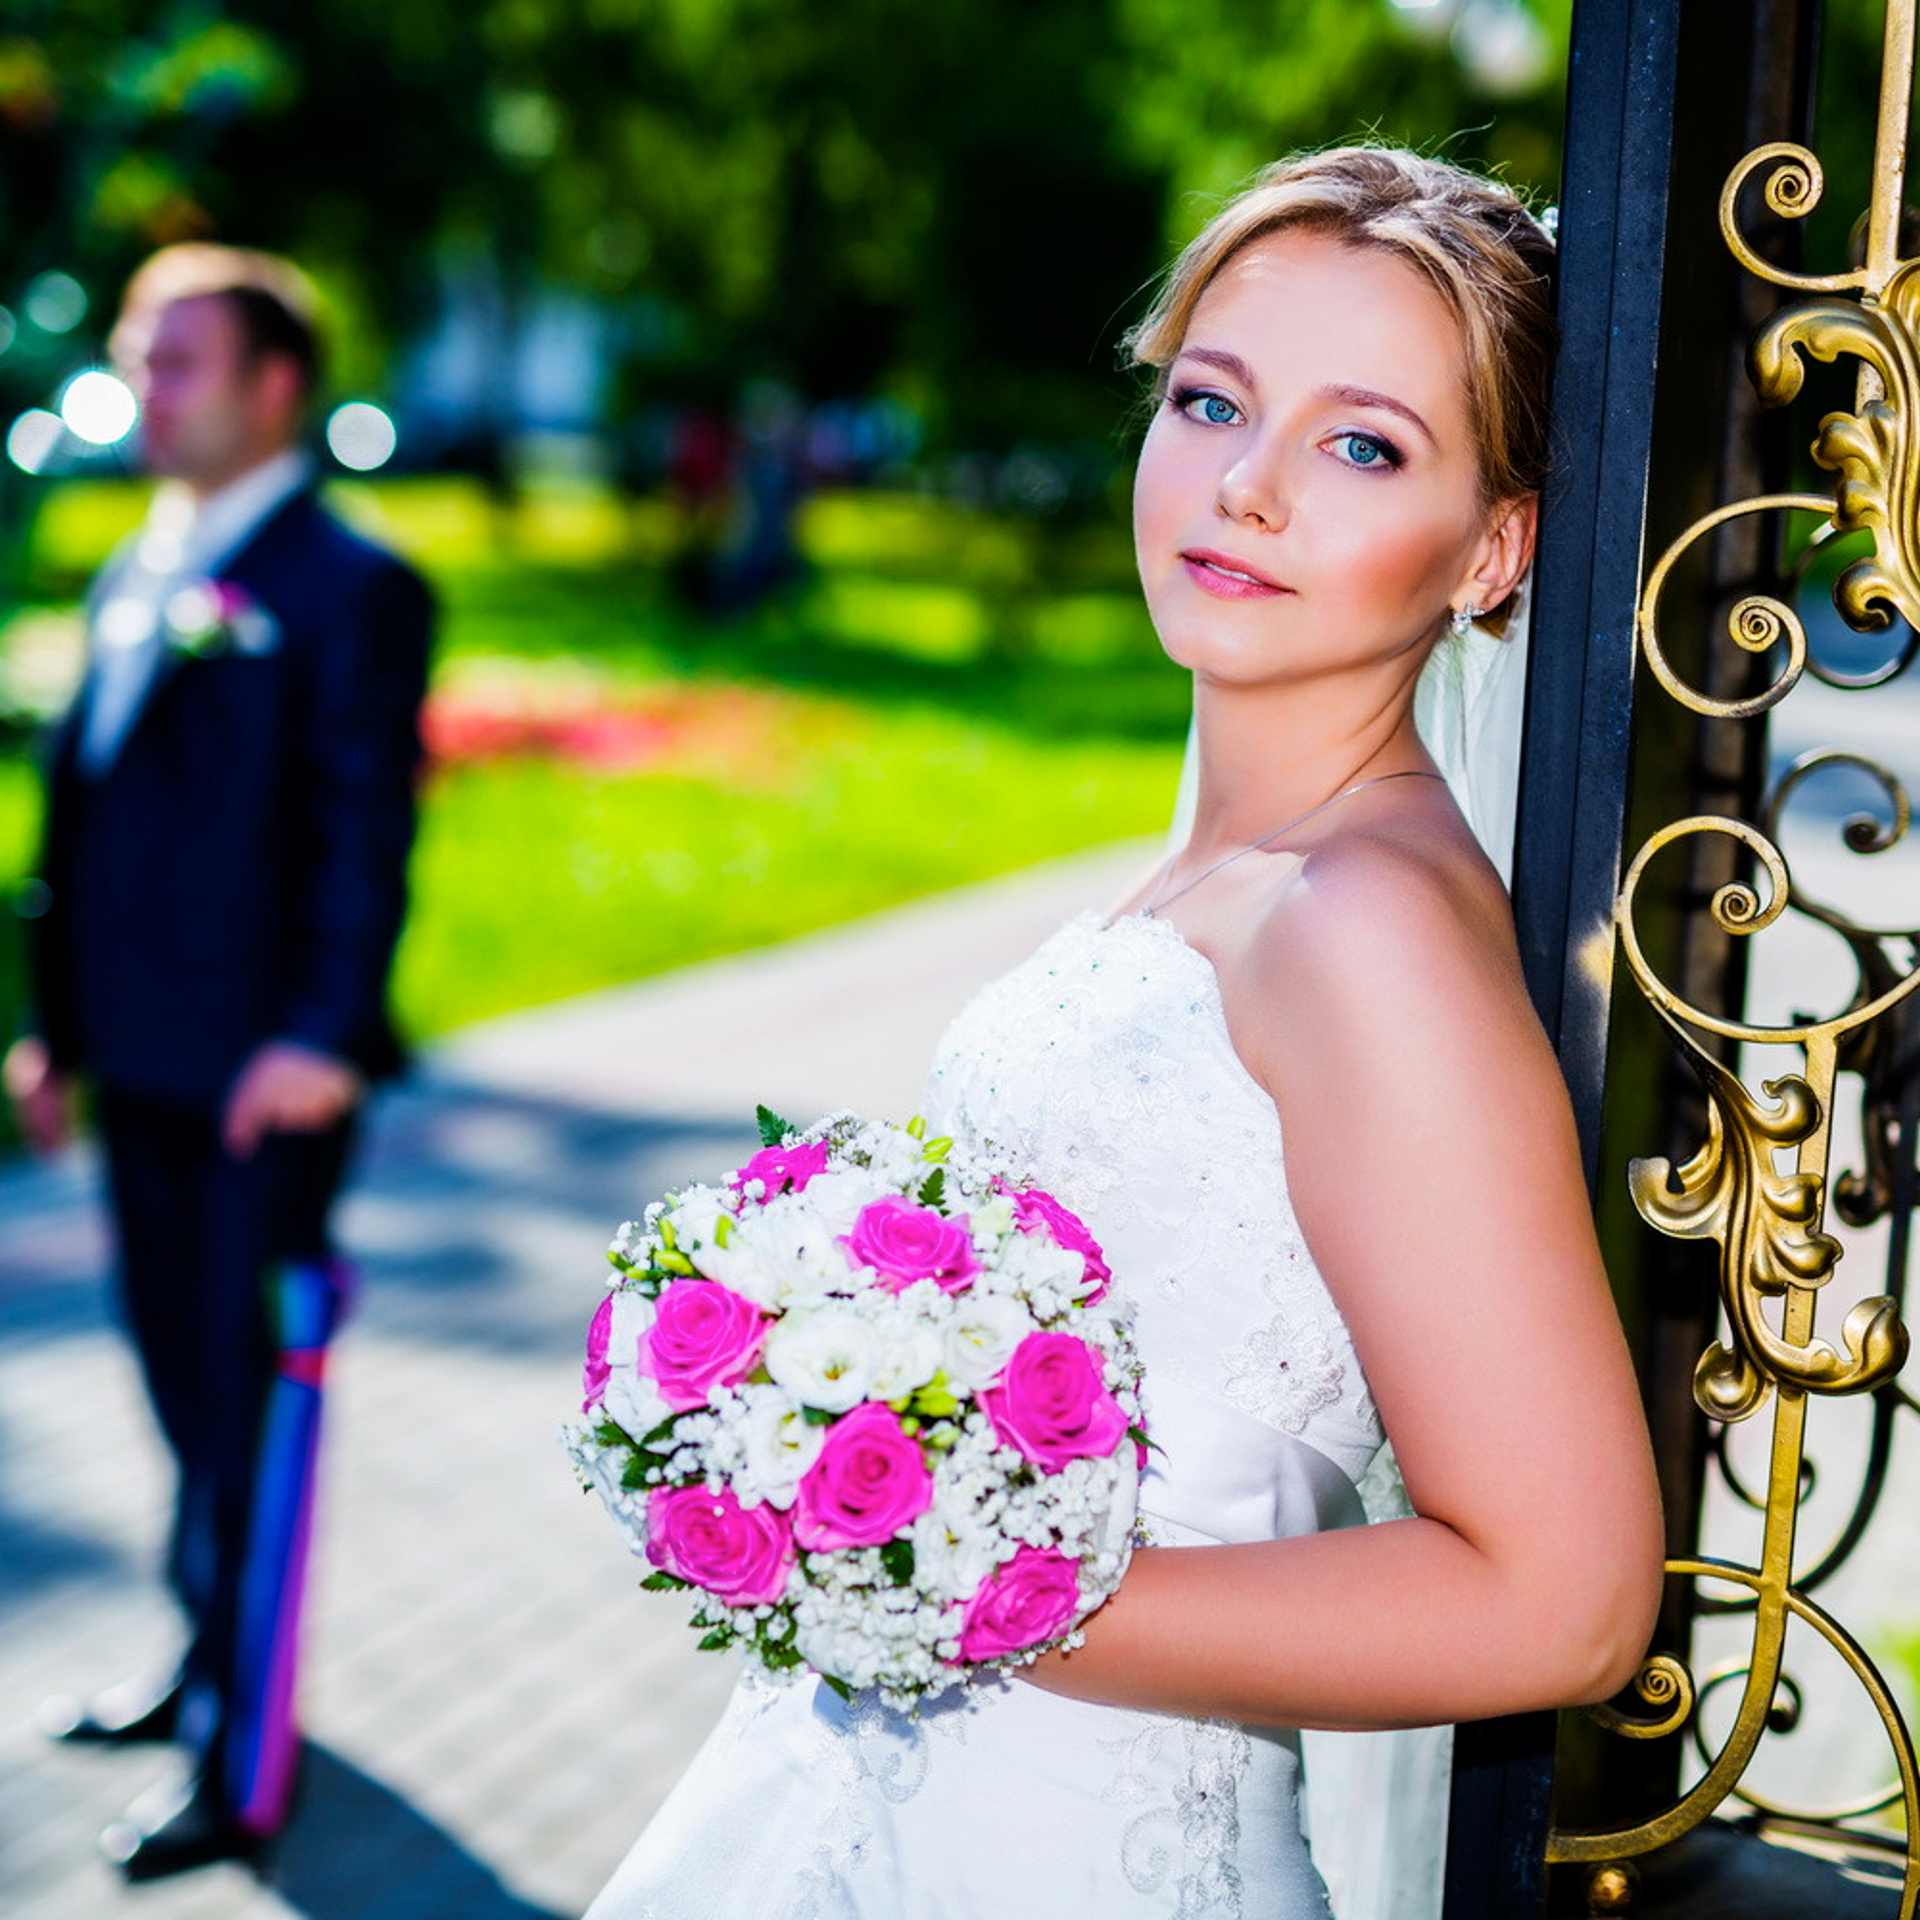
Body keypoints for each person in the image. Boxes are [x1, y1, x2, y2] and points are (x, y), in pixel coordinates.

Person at [582, 147, 1665, 1919]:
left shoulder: (1366, 924)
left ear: (1493, 550)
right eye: (1210, 401)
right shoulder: (1224, 873)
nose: (1244, 486)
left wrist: (946, 1576)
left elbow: (1565, 1595)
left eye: (1361, 443)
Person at [4, 244, 433, 1879]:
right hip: (141, 1068)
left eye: (178, 360)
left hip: (265, 1087)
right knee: (178, 1392)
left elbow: (359, 834)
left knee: (247, 1415)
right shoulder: (140, 561)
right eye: (137, 356)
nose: (146, 387)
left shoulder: (349, 587)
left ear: (273, 386)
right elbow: (88, 814)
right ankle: (203, 1670)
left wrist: (321, 1036)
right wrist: (59, 1022)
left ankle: (245, 1768)